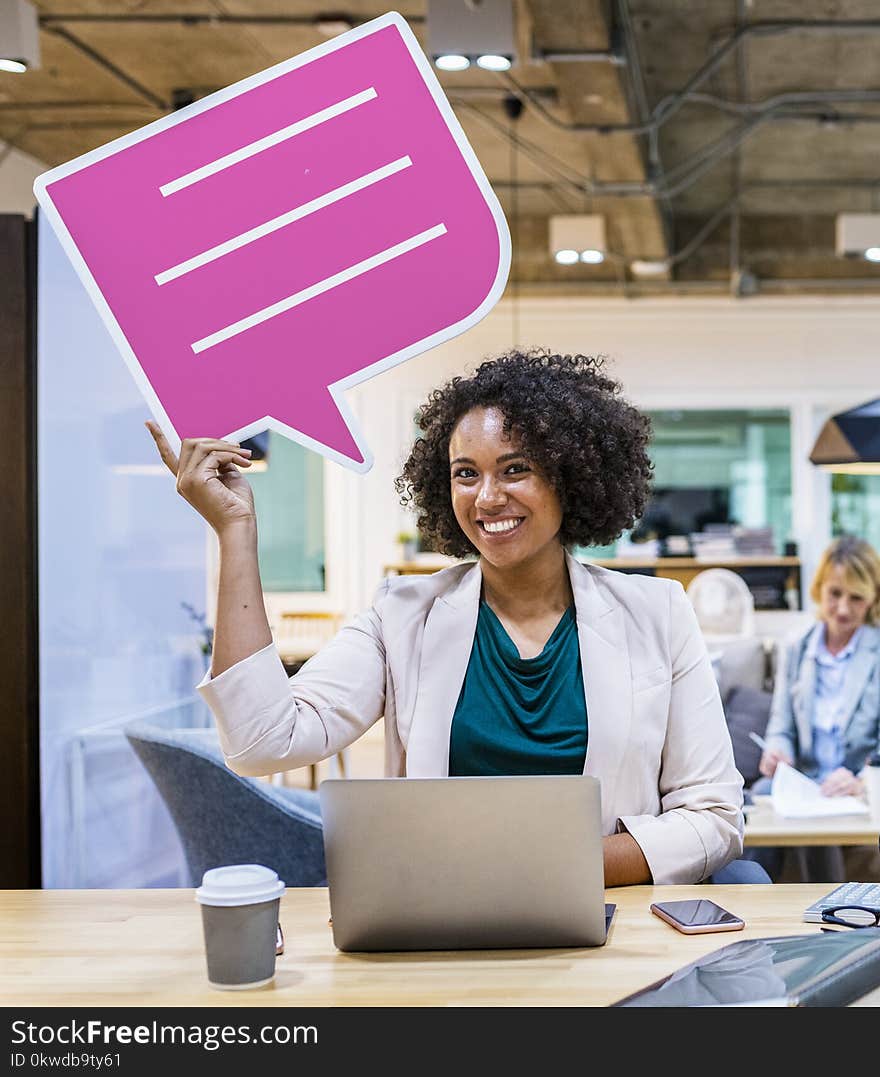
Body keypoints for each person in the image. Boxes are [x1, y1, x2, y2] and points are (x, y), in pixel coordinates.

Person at [147, 349, 743, 886]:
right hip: (447, 923)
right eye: (466, 473)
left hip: (607, 920)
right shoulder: (402, 614)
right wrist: (235, 531)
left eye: (516, 469)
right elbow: (260, 741)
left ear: (572, 479)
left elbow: (715, 818)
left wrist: (554, 867)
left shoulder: (657, 614)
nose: (487, 497)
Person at [753, 535, 880, 879]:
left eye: (856, 598)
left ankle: (832, 916)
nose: (842, 608)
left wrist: (861, 781)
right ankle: (755, 904)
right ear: (820, 588)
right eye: (835, 594)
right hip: (807, 780)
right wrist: (778, 750)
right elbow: (781, 724)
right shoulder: (796, 645)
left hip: (856, 786)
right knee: (756, 800)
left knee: (817, 820)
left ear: (873, 600)